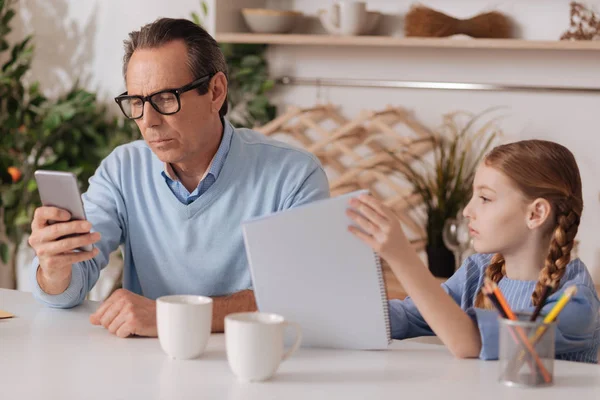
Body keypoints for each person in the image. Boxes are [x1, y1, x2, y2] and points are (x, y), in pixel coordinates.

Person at [27, 18, 329, 337]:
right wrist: (54, 269)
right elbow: (68, 287)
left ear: (216, 92)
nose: (149, 121)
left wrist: (171, 317)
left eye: (166, 98)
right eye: (137, 102)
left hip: (257, 363)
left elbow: (300, 300)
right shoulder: (122, 168)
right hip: (150, 365)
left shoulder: (293, 175)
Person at [346, 139, 599, 363]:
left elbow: (470, 343)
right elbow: (412, 315)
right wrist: (334, 315)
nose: (467, 211)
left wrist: (401, 257)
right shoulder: (478, 270)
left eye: (485, 199)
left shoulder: (575, 302)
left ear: (536, 214)